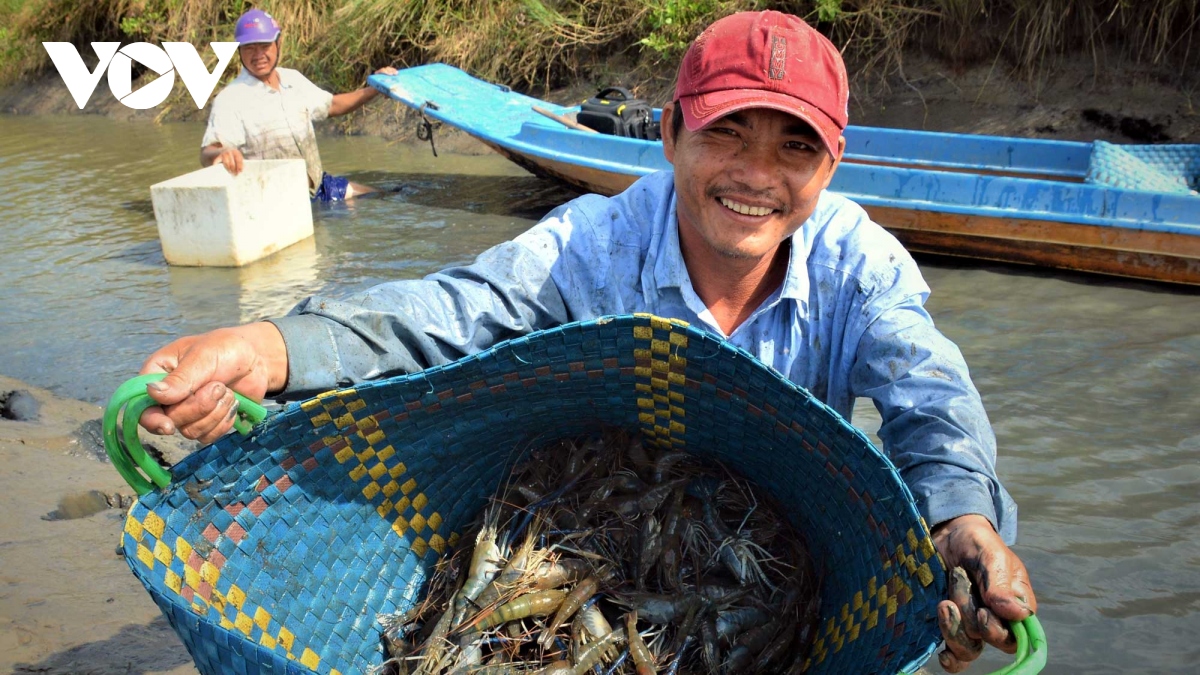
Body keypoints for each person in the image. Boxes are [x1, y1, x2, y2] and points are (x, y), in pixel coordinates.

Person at [142, 10, 1036, 672]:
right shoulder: (594, 242)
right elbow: (449, 312)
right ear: (673, 133)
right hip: (603, 516)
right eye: (727, 131)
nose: (757, 175)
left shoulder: (859, 266)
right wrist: (269, 347)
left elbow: (932, 398)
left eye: (793, 149)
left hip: (777, 540)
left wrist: (964, 520)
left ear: (829, 166)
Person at [200, 9, 397, 201]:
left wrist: (374, 89)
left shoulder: (292, 79)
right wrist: (222, 152)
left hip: (318, 187)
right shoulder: (231, 99)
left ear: (277, 44)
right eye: (250, 48)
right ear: (239, 51)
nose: (258, 54)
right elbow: (207, 152)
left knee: (383, 197)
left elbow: (333, 105)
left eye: (264, 46)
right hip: (272, 200)